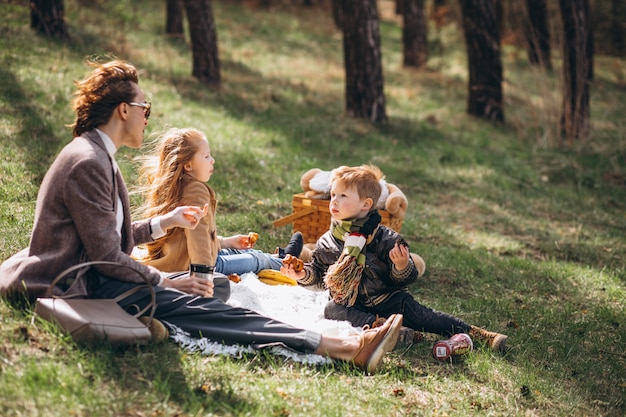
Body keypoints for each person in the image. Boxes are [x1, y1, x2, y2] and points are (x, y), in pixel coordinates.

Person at [0, 59, 403, 374]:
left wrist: (168, 221)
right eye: (145, 108)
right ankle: (346, 348)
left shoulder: (96, 155)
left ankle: (160, 317)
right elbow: (109, 256)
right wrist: (166, 282)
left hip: (97, 273)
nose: (147, 116)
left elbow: (115, 237)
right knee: (207, 305)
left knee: (214, 290)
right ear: (124, 110)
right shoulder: (88, 162)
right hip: (75, 282)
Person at [281, 164, 508, 352]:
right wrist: (302, 274)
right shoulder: (327, 241)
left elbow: (403, 279)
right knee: (332, 309)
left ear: (366, 204)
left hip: (388, 300)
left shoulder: (385, 238)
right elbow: (322, 279)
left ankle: (481, 335)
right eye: (332, 195)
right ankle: (388, 330)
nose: (334, 201)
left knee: (427, 317)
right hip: (352, 304)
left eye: (342, 196)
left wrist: (401, 266)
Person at [132, 127, 303, 276]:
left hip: (185, 260)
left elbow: (188, 239)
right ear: (188, 165)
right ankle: (290, 267)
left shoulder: (174, 187)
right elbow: (198, 237)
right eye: (206, 156)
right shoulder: (195, 191)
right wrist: (203, 275)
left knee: (243, 250)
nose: (212, 160)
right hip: (197, 266)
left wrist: (226, 242)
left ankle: (282, 256)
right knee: (256, 259)